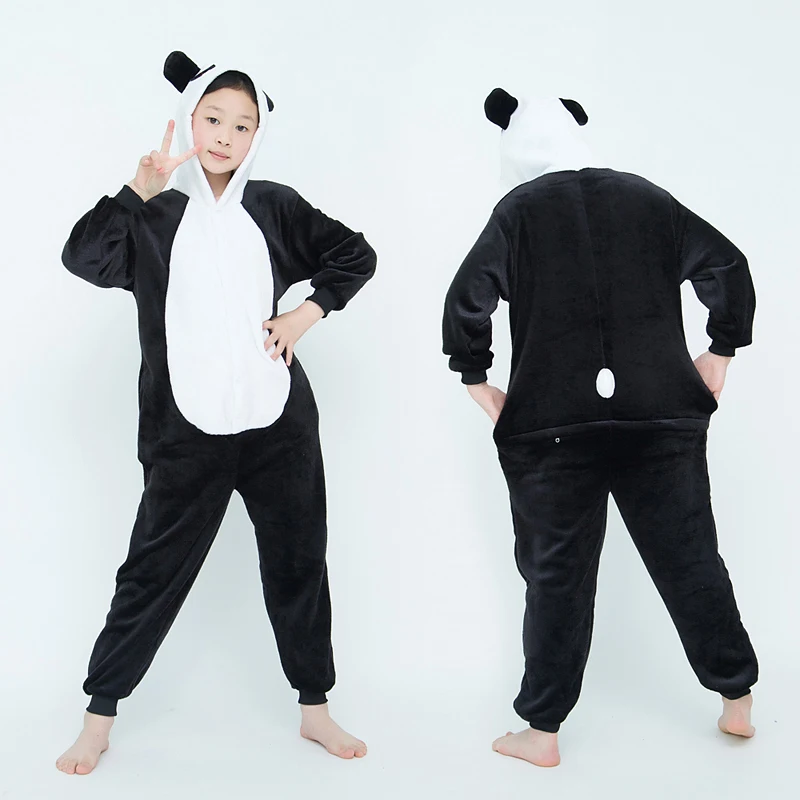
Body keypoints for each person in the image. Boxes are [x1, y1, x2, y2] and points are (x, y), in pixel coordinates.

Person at [56, 50, 376, 775]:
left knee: (299, 563)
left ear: (258, 135)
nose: (226, 137)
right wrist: (135, 190)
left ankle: (315, 709)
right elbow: (83, 258)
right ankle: (99, 717)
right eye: (213, 119)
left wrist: (305, 314)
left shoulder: (275, 206)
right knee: (151, 572)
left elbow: (355, 255)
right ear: (187, 119)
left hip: (278, 423)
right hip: (185, 431)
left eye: (242, 124)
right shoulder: (155, 217)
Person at [441, 88, 758, 768]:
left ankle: (542, 732)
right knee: (690, 559)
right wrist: (721, 349)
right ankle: (737, 698)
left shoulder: (518, 211)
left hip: (552, 424)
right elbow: (727, 264)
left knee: (556, 576)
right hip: (661, 413)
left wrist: (475, 376)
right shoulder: (648, 199)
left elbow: (468, 296)